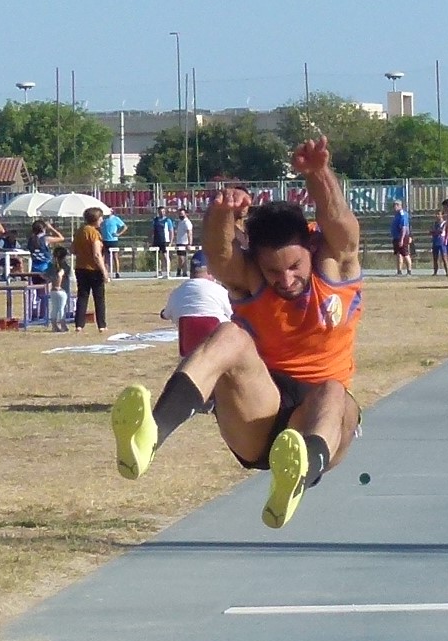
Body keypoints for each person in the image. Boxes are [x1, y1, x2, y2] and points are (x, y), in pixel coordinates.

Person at [111, 136, 362, 530]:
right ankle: (150, 435)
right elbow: (220, 254)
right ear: (257, 263)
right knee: (229, 333)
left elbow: (341, 223)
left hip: (319, 422)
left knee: (333, 390)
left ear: (311, 250)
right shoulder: (251, 281)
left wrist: (318, 173)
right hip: (258, 410)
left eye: (294, 267)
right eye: (273, 271)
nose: (285, 279)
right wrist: (221, 212)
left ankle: (298, 475)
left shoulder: (335, 267)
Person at [160, 249, 233, 353]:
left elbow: (166, 315)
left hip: (188, 352)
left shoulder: (177, 292)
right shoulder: (219, 290)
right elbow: (233, 315)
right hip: (217, 352)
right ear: (211, 270)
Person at [70, 207, 109, 332]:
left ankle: (79, 325)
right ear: (96, 219)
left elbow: (72, 250)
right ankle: (102, 325)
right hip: (94, 269)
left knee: (82, 296)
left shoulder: (79, 231)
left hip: (80, 267)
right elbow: (97, 254)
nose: (102, 220)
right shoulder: (94, 233)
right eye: (101, 218)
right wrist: (104, 271)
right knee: (99, 298)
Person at [27, 220, 65, 284]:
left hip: (34, 268)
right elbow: (61, 238)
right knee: (59, 273)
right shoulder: (45, 239)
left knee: (37, 287)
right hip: (45, 268)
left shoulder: (31, 240)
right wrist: (51, 228)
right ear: (43, 229)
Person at [44, 246, 71, 332]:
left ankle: (54, 326)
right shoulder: (65, 266)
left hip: (53, 290)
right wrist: (58, 285)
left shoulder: (51, 266)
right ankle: (63, 325)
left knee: (54, 308)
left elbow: (44, 275)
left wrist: (52, 281)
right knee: (62, 308)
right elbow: (60, 274)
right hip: (62, 290)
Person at [100, 209, 128, 279]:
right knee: (106, 258)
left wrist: (118, 234)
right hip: (105, 240)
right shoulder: (103, 219)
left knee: (115, 256)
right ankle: (106, 273)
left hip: (113, 241)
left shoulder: (116, 219)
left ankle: (117, 272)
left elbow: (125, 227)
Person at [151, 205, 174, 278]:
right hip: (156, 240)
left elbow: (171, 231)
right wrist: (151, 240)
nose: (162, 213)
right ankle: (159, 271)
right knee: (157, 256)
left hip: (165, 240)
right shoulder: (155, 220)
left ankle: (168, 271)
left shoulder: (167, 220)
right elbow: (152, 231)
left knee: (165, 256)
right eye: (160, 212)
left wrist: (171, 241)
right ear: (158, 212)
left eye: (163, 211)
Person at [390, 200, 412, 275]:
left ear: (400, 205)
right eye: (394, 205)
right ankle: (399, 271)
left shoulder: (403, 215)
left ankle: (409, 271)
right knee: (399, 254)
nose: (395, 207)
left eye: (396, 205)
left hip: (402, 237)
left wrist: (401, 239)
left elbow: (404, 227)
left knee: (405, 254)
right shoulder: (396, 215)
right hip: (396, 237)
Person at [175, 208, 193, 277]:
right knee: (180, 258)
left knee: (183, 258)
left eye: (182, 214)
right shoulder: (180, 222)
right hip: (179, 242)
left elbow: (189, 233)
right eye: (179, 214)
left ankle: (184, 272)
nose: (181, 215)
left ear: (186, 214)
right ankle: (180, 270)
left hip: (185, 243)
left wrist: (189, 243)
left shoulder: (187, 222)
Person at [430, 209, 448, 276]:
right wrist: (434, 231)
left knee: (444, 257)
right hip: (435, 241)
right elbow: (431, 231)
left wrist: (435, 231)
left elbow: (441, 231)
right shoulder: (435, 223)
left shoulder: (444, 223)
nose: (437, 215)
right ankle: (435, 272)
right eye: (436, 214)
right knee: (435, 258)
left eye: (438, 214)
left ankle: (447, 272)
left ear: (442, 215)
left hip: (441, 241)